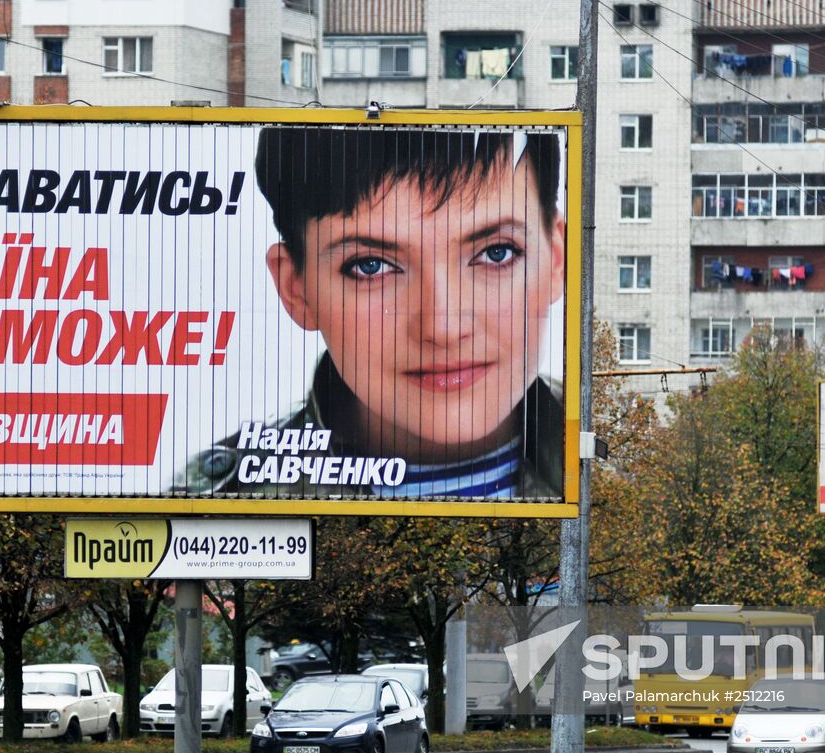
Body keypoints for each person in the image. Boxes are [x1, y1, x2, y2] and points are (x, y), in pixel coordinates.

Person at [179, 127, 567, 499]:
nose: (443, 327)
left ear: (556, 260)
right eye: (370, 266)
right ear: (296, 290)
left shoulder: (620, 463)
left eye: (496, 253)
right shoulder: (200, 507)